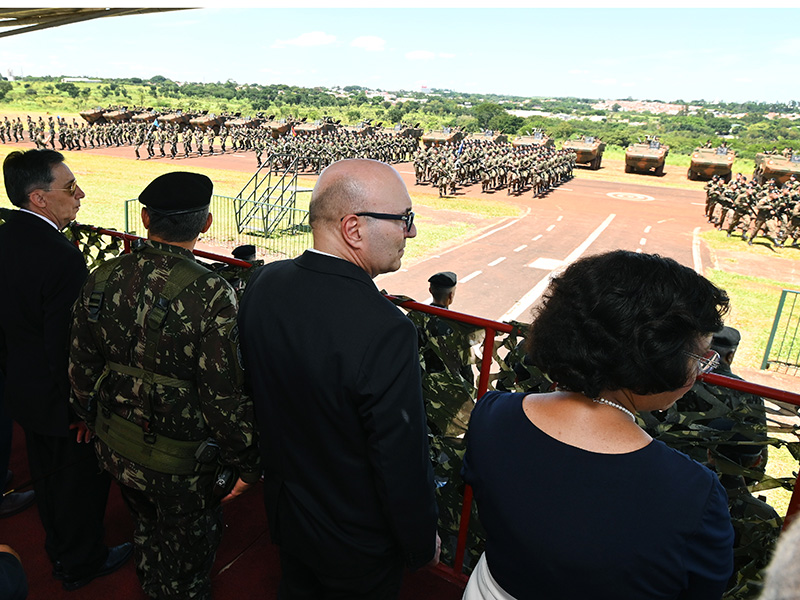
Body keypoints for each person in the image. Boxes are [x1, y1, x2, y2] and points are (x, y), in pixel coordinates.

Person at [461, 250, 734, 600]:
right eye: (699, 357)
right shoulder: (693, 493)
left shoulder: (493, 414)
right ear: (655, 361)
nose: (699, 372)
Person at [239, 158, 440, 599]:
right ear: (353, 229)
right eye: (404, 219)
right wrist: (420, 542)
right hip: (355, 542)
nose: (411, 232)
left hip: (289, 514)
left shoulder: (264, 282)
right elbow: (399, 459)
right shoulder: (384, 328)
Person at [69, 172, 261, 600]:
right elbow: (222, 394)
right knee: (187, 561)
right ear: (206, 224)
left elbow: (81, 363)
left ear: (144, 218)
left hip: (116, 445)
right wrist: (246, 462)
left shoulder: (102, 276)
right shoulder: (212, 292)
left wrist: (87, 415)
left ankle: (151, 581)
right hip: (180, 463)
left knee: (145, 527)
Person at [0, 149, 132, 591]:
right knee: (78, 486)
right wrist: (82, 409)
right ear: (39, 198)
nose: (81, 195)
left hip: (22, 390)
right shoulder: (60, 256)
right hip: (60, 400)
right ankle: (81, 562)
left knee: (50, 482)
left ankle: (62, 550)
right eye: (70, 187)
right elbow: (68, 345)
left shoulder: (7, 236)